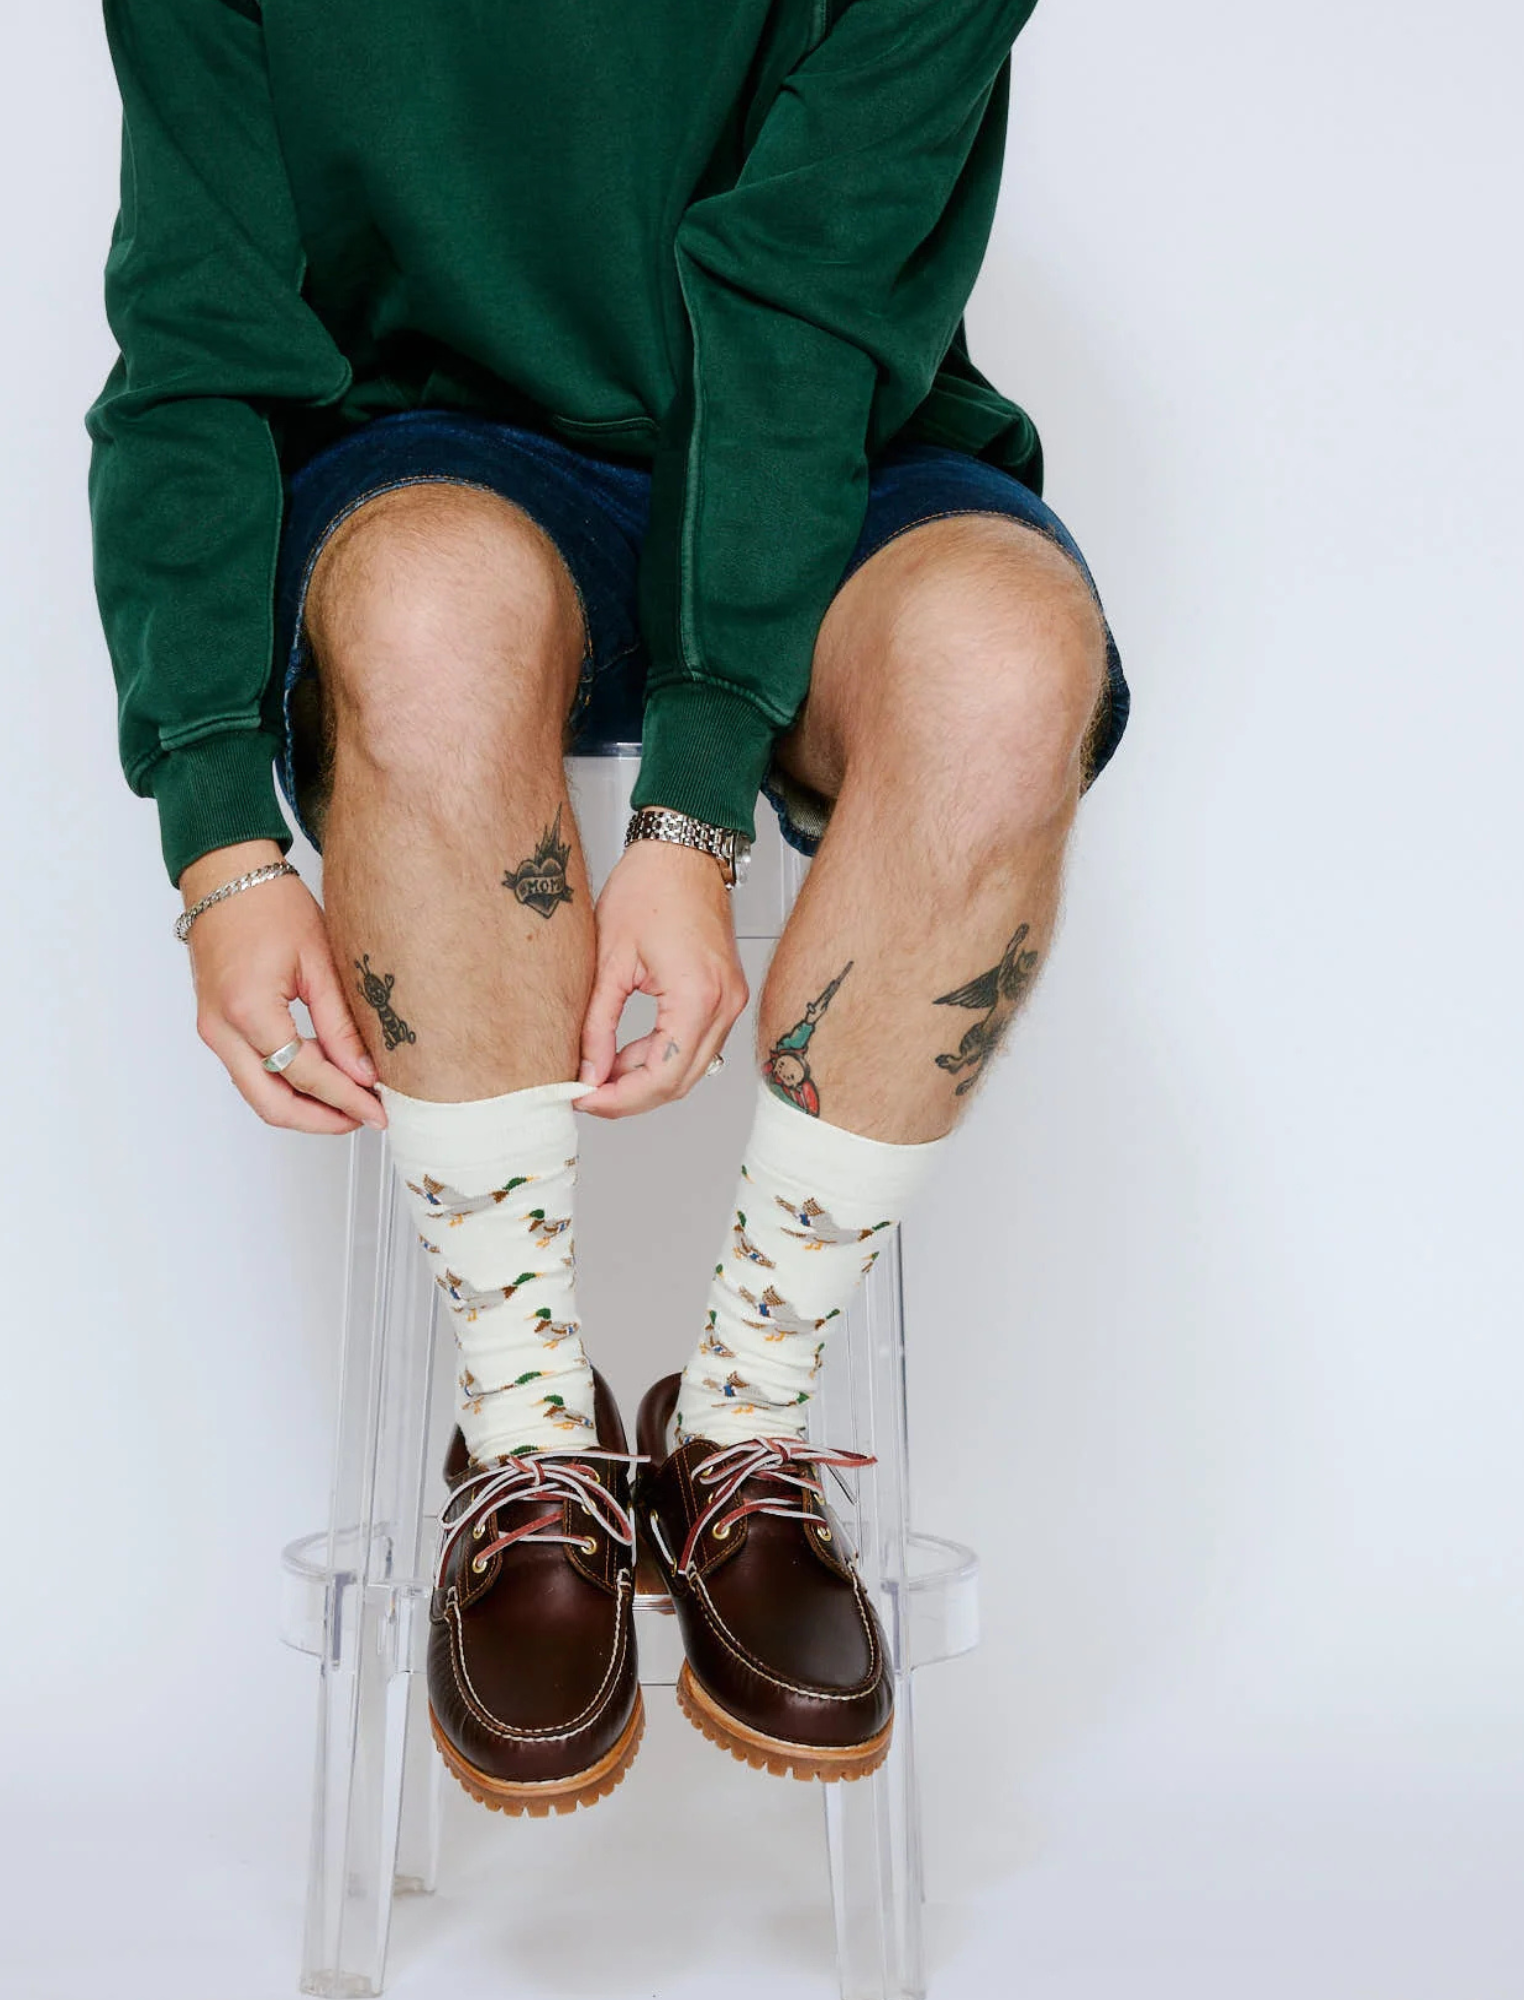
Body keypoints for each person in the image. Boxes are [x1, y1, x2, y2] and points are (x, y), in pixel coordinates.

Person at [86, 0, 1129, 1818]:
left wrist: (697, 797)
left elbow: (800, 289)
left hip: (840, 451)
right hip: (443, 451)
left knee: (1003, 656)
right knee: (421, 611)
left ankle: (742, 1423)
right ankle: (529, 1439)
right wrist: (216, 841)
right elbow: (197, 325)